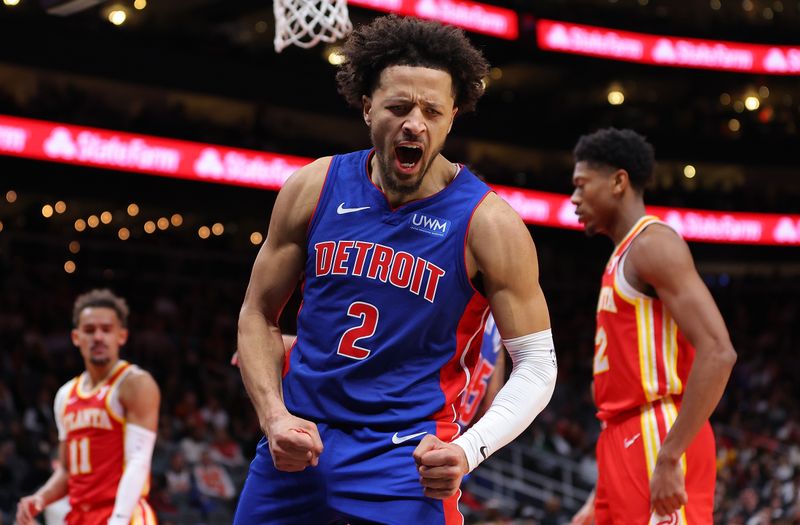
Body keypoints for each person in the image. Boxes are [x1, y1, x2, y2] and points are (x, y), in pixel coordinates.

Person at [233, 14, 557, 525]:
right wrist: (274, 416)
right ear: (367, 108)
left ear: (453, 115)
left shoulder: (489, 224)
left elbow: (538, 365)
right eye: (399, 107)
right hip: (300, 445)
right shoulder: (314, 187)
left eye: (432, 110)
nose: (415, 124)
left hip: (405, 461)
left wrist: (469, 451)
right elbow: (257, 313)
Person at [568, 128, 736, 524]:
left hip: (656, 430)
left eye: (581, 185)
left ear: (619, 181)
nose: (573, 198)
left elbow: (718, 351)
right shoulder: (619, 256)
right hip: (620, 436)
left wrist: (670, 453)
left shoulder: (653, 244)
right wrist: (601, 491)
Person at [16, 289, 161, 525]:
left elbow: (138, 460)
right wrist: (39, 499)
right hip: (80, 516)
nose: (98, 337)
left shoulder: (135, 383)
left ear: (121, 336)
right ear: (76, 337)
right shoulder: (65, 395)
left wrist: (119, 519)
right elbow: (66, 471)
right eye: (90, 330)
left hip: (123, 514)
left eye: (106, 329)